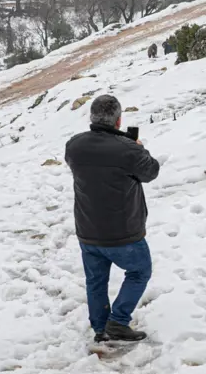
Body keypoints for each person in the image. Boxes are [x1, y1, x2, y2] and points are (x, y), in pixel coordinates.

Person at [64, 95, 160, 344]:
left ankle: (99, 328)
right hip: (123, 232)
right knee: (140, 271)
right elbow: (151, 171)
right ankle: (118, 322)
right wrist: (138, 147)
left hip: (87, 229)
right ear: (119, 120)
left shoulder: (74, 146)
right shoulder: (127, 149)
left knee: (96, 280)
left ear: (92, 117)